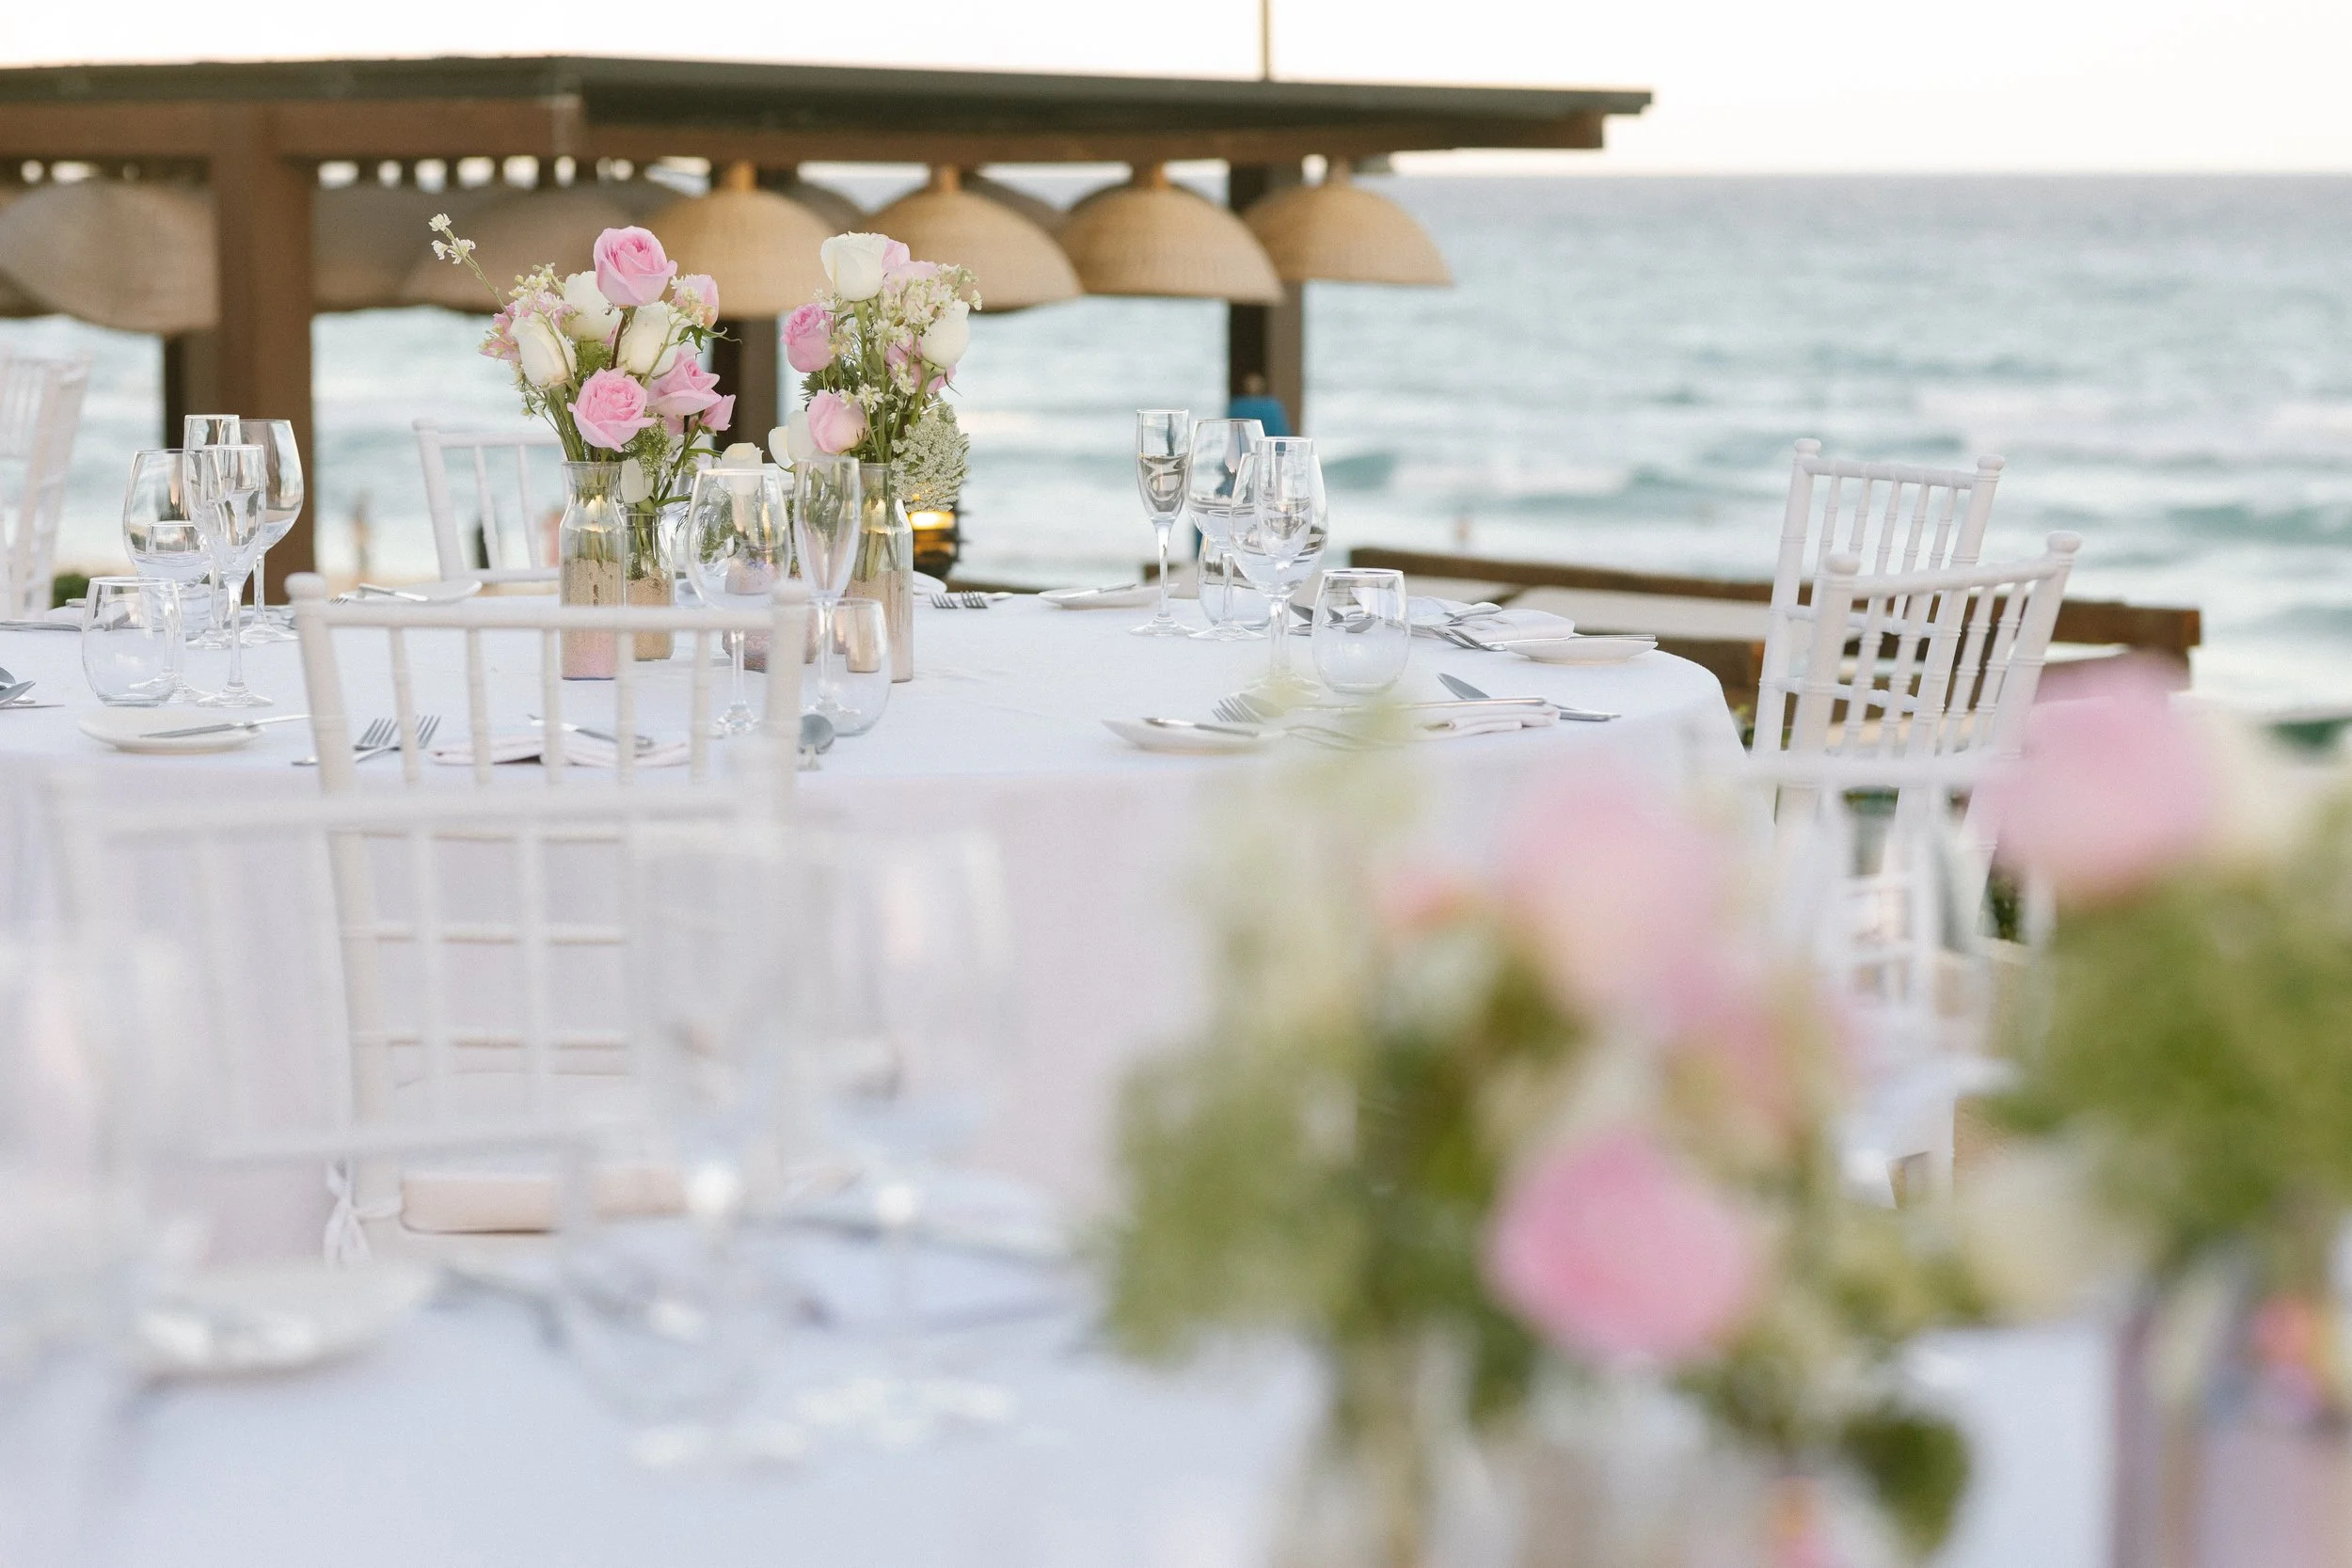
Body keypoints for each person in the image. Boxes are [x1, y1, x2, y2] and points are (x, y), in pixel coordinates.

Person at [1228, 372, 1292, 437]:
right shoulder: (1238, 405)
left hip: (1267, 442)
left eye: (1256, 383)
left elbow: (1279, 428)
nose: (1253, 386)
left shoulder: (1271, 405)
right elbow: (1231, 427)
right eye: (1251, 383)